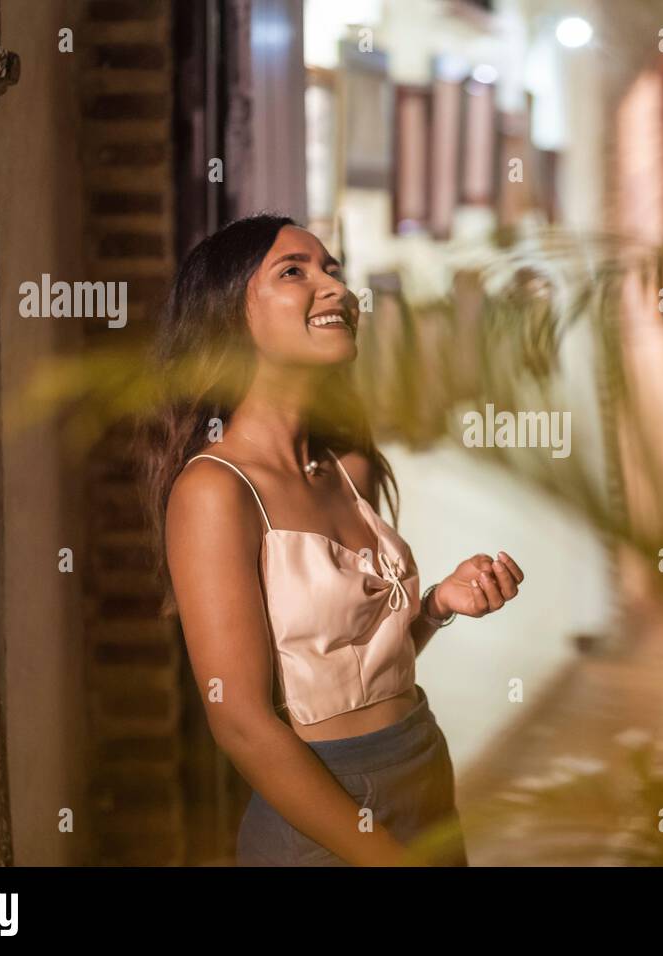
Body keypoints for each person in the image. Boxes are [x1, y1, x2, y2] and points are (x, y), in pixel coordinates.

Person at [142, 214, 524, 866]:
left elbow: (353, 662)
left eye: (333, 270)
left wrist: (434, 606)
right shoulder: (216, 490)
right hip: (322, 815)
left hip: (423, 767)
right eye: (294, 271)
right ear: (228, 315)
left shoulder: (350, 469)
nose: (336, 289)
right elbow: (240, 722)